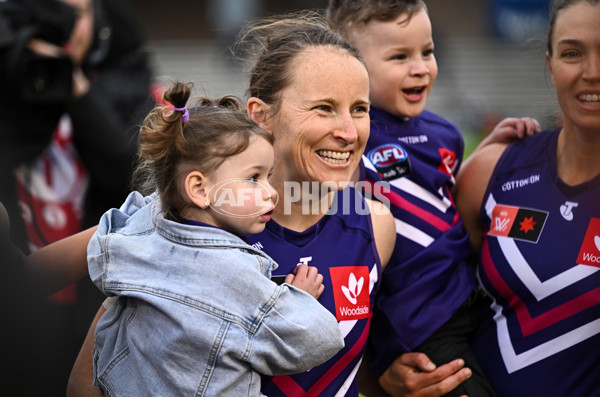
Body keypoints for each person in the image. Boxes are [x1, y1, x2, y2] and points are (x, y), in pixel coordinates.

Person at [67, 11, 396, 397]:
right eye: (323, 108)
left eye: (359, 109)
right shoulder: (187, 221)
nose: (348, 131)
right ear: (260, 115)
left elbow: (361, 366)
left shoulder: (375, 224)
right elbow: (84, 385)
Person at [326, 1, 540, 396]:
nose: (420, 66)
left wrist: (488, 151)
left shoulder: (445, 134)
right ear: (350, 65)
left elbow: (441, 198)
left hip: (471, 299)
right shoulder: (347, 138)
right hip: (417, 324)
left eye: (427, 51)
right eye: (400, 56)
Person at [88, 80, 346, 396]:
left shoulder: (138, 236)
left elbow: (114, 233)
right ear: (199, 189)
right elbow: (319, 339)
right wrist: (298, 298)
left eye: (268, 176)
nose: (270, 191)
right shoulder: (233, 275)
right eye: (253, 179)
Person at [0, 0, 153, 393]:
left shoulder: (129, 83)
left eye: (77, 13)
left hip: (96, 296)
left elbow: (130, 172)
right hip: (19, 296)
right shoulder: (8, 82)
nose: (66, 27)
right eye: (52, 14)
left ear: (100, 20)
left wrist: (75, 89)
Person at [454, 0, 600, 396]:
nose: (592, 73)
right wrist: (391, 369)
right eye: (573, 53)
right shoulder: (492, 171)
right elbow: (426, 301)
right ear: (550, 65)